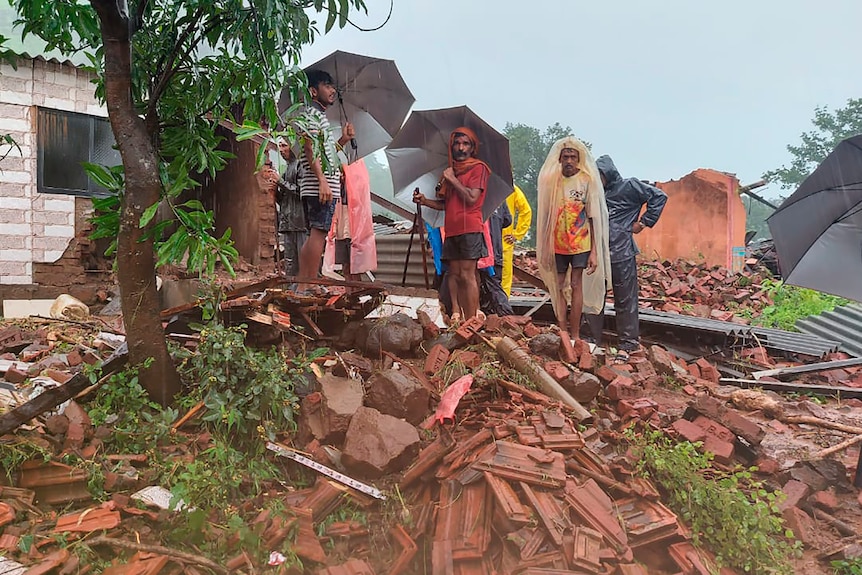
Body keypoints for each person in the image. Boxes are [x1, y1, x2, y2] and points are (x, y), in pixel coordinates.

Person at [586, 155, 667, 362]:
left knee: (626, 299)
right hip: (598, 254)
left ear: (608, 173)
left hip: (622, 252)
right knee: (594, 298)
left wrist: (644, 222)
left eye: (601, 175)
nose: (598, 179)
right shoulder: (596, 193)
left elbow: (659, 196)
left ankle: (628, 345)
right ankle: (590, 341)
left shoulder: (630, 187)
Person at [536, 136, 610, 343]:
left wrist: (594, 251)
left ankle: (575, 333)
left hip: (580, 242)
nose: (569, 160)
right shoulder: (552, 181)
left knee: (576, 284)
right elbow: (545, 216)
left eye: (573, 157)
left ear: (578, 159)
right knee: (559, 284)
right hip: (557, 243)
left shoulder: (587, 181)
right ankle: (562, 330)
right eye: (565, 156)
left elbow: (594, 217)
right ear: (559, 159)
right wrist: (543, 246)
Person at [413, 127, 489, 323]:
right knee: (455, 274)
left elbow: (472, 198)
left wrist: (453, 179)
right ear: (452, 146)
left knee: (467, 275)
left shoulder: (478, 168)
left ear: (472, 148)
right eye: (457, 143)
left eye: (466, 144)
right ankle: (463, 320)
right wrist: (425, 201)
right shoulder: (450, 171)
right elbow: (446, 205)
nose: (461, 147)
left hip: (470, 228)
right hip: (453, 229)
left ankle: (471, 322)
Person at [294, 69, 355, 293]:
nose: (332, 90)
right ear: (313, 91)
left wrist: (344, 140)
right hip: (319, 186)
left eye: (332, 86)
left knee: (314, 235)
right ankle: (306, 285)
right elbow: (309, 150)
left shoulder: (317, 116)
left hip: (320, 184)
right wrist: (322, 181)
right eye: (327, 86)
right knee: (318, 234)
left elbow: (326, 153)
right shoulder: (312, 114)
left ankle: (306, 283)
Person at [274, 139, 306, 277]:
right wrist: (274, 190)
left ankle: (307, 289)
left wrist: (280, 182)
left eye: (284, 145)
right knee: (290, 262)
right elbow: (284, 200)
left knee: (304, 260)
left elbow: (301, 191)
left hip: (300, 222)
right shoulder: (287, 168)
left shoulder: (301, 165)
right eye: (279, 146)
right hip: (288, 222)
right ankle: (292, 292)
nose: (281, 150)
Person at [480, 201, 514, 316]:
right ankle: (491, 316)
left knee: (492, 286)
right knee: (494, 284)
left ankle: (507, 315)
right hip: (497, 251)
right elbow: (507, 220)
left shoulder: (476, 198)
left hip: (483, 253)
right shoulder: (499, 198)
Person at [501, 185, 533, 296]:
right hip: (492, 242)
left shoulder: (511, 188)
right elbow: (526, 211)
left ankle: (501, 309)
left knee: (504, 279)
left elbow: (526, 211)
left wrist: (517, 234)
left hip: (503, 242)